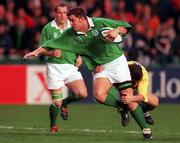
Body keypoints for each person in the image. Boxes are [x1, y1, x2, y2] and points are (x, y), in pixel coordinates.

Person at [23, 7, 153, 139]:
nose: (71, 23)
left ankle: (146, 130)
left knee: (129, 99)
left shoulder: (99, 23)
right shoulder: (70, 33)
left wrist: (117, 30)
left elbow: (126, 27)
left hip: (117, 62)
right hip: (100, 66)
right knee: (99, 95)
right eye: (70, 20)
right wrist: (36, 52)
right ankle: (121, 107)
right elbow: (52, 43)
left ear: (82, 19)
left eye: (73, 20)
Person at [33, 3, 88, 132]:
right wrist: (51, 53)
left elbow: (80, 44)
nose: (62, 15)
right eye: (59, 13)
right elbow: (41, 49)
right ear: (55, 14)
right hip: (55, 67)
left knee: (82, 94)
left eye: (65, 13)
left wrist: (79, 56)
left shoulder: (73, 25)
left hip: (70, 66)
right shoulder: (48, 29)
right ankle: (53, 125)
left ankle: (65, 103)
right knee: (56, 102)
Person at [106, 61, 159, 126]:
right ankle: (123, 110)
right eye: (133, 81)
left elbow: (142, 96)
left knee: (155, 102)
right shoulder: (120, 70)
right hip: (121, 90)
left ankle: (143, 109)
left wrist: (131, 98)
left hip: (135, 93)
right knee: (123, 96)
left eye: (136, 81)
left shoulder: (144, 76)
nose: (135, 84)